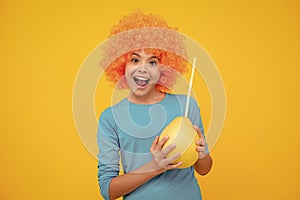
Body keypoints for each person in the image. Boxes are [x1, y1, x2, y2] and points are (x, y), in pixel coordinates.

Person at [97, 10, 213, 200]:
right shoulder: (110, 118)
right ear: (122, 65)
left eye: (153, 62)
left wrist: (202, 156)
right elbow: (107, 190)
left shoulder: (186, 106)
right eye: (135, 60)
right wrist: (155, 167)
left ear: (163, 68)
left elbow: (204, 169)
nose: (143, 68)